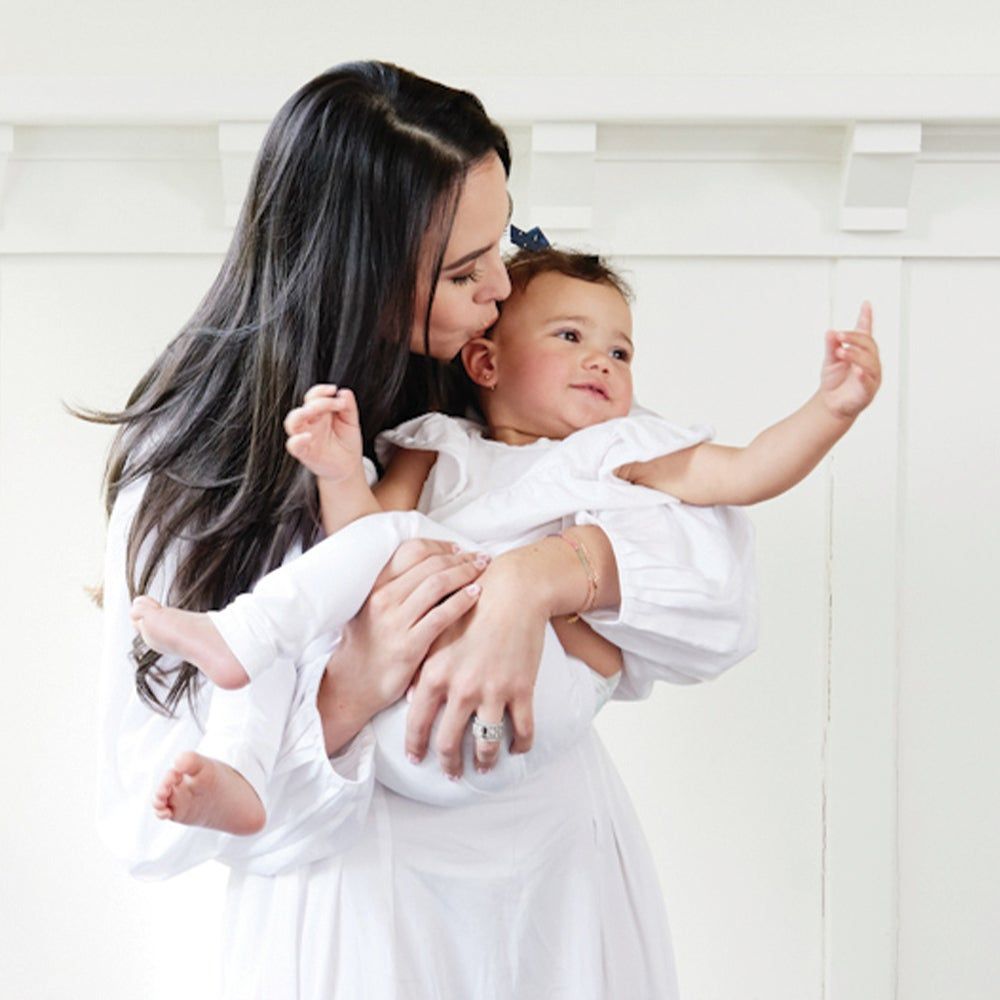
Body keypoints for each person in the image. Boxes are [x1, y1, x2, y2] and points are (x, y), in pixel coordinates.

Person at [91, 62, 762, 999]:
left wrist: (543, 578)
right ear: (355, 275)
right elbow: (150, 826)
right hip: (361, 918)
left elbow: (720, 603)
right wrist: (351, 690)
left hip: (556, 894)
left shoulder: (491, 374)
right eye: (461, 271)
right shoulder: (195, 471)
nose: (502, 287)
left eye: (503, 240)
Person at [129, 246, 881, 837]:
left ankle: (244, 642)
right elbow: (355, 543)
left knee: (322, 597)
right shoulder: (437, 446)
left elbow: (746, 471)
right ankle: (242, 771)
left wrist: (831, 409)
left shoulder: (619, 448)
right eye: (570, 336)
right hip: (400, 720)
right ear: (486, 362)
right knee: (282, 649)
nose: (603, 361)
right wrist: (335, 469)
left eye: (621, 352)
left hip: (528, 705)